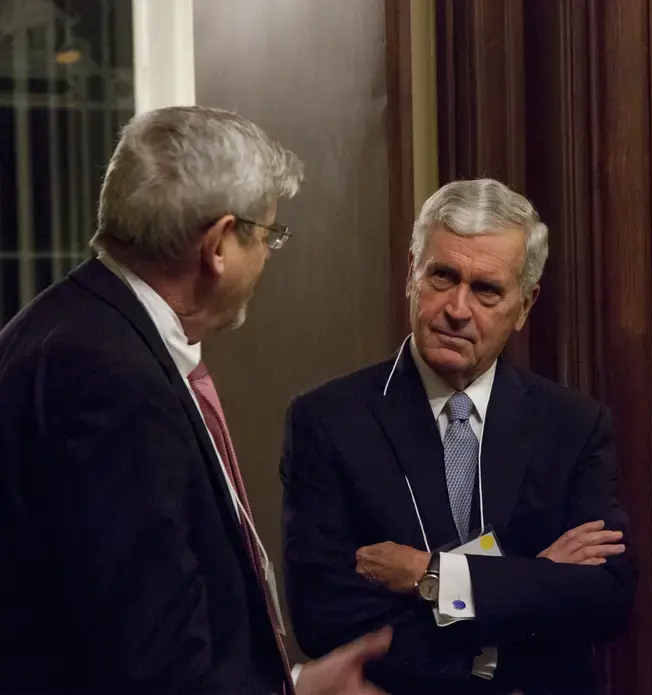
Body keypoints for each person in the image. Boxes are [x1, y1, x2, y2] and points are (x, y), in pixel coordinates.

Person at [0, 106, 389, 695]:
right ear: (219, 245)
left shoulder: (72, 325)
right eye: (268, 235)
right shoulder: (108, 378)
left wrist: (296, 685)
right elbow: (150, 664)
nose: (266, 257)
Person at [281, 178, 637, 695]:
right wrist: (531, 579)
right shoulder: (328, 421)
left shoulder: (574, 425)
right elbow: (326, 618)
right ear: (412, 275)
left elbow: (605, 600)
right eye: (443, 277)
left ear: (525, 305)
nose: (458, 309)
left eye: (487, 290)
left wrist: (431, 575)